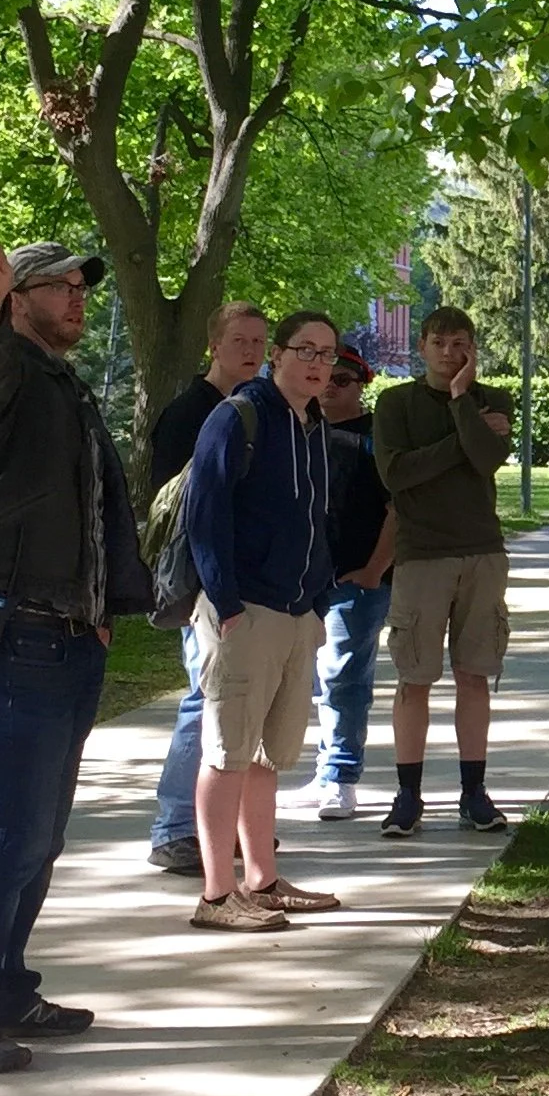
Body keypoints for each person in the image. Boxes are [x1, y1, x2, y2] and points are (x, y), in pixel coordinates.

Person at [0, 241, 152, 1077]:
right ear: (17, 299)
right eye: (62, 286)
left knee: (41, 835)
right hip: (16, 632)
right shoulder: (9, 374)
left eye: (84, 286)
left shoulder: (62, 381)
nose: (80, 297)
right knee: (9, 833)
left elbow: (90, 512)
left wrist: (100, 612)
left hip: (66, 634)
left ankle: (10, 986)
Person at [180, 308, 343, 932]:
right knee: (225, 751)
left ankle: (263, 879)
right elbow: (205, 515)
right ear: (279, 354)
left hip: (297, 611)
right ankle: (217, 895)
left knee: (267, 758)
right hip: (244, 612)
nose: (317, 364)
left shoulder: (311, 423)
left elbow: (316, 521)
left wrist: (318, 603)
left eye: (327, 355)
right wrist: (225, 605)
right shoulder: (238, 417)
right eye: (306, 350)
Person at [371, 305, 513, 837]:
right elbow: (398, 473)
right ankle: (408, 795)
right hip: (422, 555)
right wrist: (464, 431)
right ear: (422, 346)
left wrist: (462, 403)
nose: (450, 353)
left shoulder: (492, 399)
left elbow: (486, 461)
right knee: (414, 678)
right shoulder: (395, 403)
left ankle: (473, 792)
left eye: (461, 344)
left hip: (482, 551)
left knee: (474, 675)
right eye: (440, 342)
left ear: (472, 348)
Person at [146, 301, 270, 874]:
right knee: (205, 703)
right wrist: (213, 591)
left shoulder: (261, 409)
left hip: (251, 587)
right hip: (203, 587)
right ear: (213, 346)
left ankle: (231, 833)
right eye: (240, 341)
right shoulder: (188, 414)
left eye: (259, 342)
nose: (251, 351)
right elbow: (180, 510)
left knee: (240, 709)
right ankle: (175, 828)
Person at [291, 342, 396, 820]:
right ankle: (323, 769)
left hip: (359, 576)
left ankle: (341, 775)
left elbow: (399, 508)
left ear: (362, 386)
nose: (332, 387)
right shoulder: (299, 431)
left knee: (344, 676)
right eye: (326, 376)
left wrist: (375, 569)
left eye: (344, 380)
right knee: (314, 680)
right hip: (304, 577)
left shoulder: (378, 437)